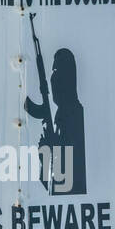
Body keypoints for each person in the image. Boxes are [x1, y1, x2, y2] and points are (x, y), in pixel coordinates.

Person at [24, 47, 86, 195]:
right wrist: (45, 155)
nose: (52, 80)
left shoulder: (73, 114)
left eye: (56, 72)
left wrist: (51, 149)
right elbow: (49, 183)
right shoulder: (62, 115)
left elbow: (68, 174)